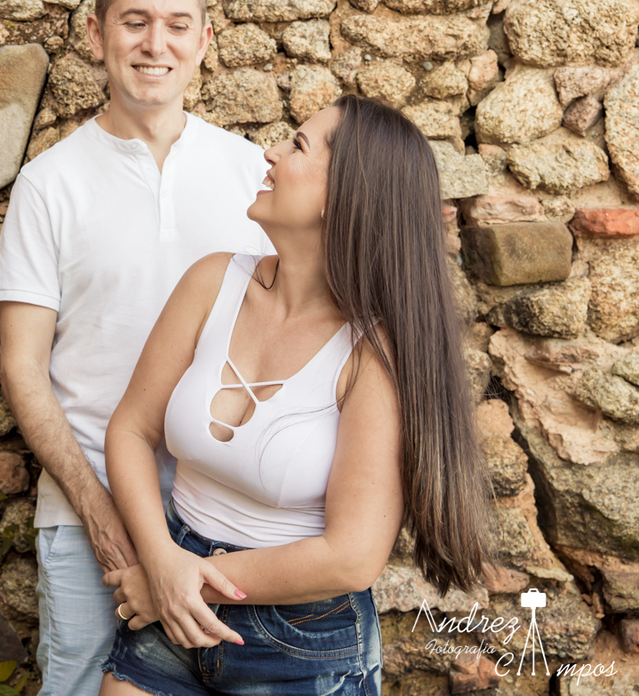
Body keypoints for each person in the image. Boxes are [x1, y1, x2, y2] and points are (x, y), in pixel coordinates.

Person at [98, 95, 495, 696]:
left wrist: (177, 584)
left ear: (343, 198)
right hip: (173, 582)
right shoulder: (212, 281)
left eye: (298, 145)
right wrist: (160, 560)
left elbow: (352, 557)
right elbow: (129, 429)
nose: (271, 152)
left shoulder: (372, 353)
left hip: (300, 635)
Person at [0, 0, 272, 696]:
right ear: (97, 35)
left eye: (178, 25)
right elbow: (22, 365)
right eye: (136, 21)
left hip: (225, 516)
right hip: (90, 518)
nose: (157, 44)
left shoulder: (251, 174)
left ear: (206, 40)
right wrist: (100, 510)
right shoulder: (48, 184)